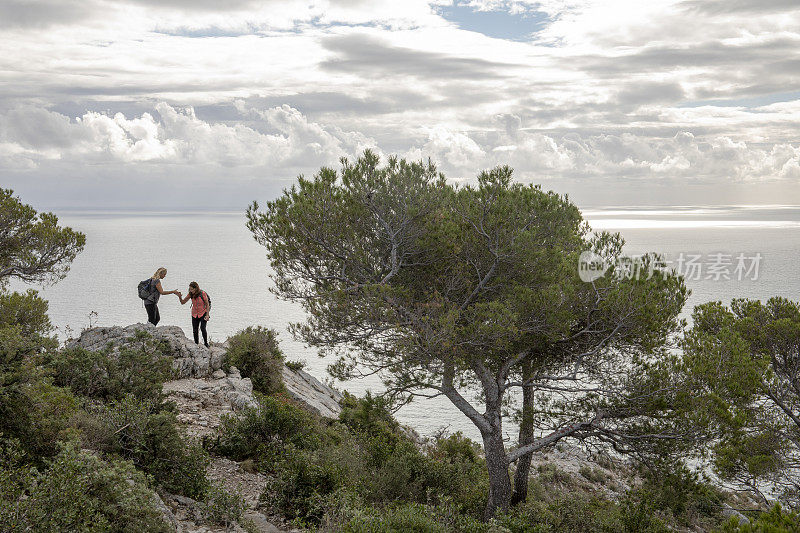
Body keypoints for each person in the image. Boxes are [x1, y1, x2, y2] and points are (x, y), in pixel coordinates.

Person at [178, 281, 210, 347]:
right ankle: (196, 344)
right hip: (194, 313)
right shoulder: (190, 294)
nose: (190, 290)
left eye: (191, 289)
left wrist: (207, 315)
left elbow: (207, 304)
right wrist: (179, 297)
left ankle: (206, 344)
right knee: (195, 330)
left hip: (203, 312)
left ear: (195, 288)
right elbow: (183, 302)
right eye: (189, 289)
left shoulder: (202, 293)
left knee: (203, 328)